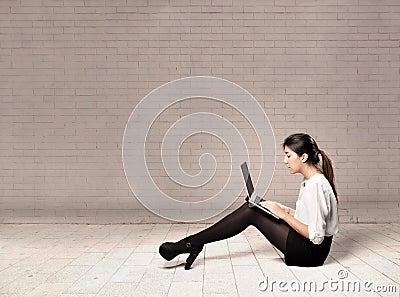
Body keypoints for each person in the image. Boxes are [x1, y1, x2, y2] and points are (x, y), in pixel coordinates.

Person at [159, 133, 339, 270]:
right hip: (307, 247)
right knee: (255, 208)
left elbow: (316, 236)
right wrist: (280, 208)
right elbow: (308, 217)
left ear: (304, 157)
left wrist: (283, 215)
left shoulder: (316, 185)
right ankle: (192, 244)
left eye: (288, 155)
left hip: (310, 255)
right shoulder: (312, 180)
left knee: (251, 211)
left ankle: (190, 244)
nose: (285, 161)